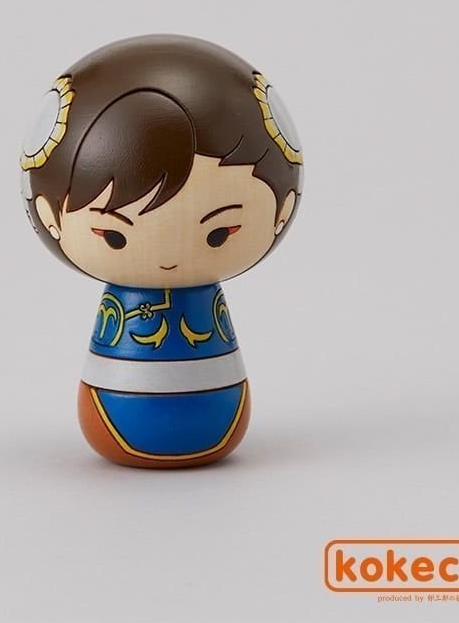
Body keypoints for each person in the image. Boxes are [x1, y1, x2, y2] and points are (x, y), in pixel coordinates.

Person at [20, 34, 304, 467]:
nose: (168, 257)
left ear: (281, 210)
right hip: (113, 405)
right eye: (114, 236)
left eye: (219, 233)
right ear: (49, 217)